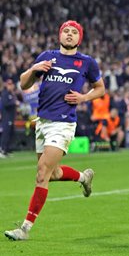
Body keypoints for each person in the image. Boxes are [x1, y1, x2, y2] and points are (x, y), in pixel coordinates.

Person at [4, 20, 106, 241]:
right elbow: (23, 84)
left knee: (42, 172)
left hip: (63, 123)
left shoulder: (86, 62)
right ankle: (83, 177)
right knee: (53, 173)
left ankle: (25, 229)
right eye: (65, 31)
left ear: (80, 38)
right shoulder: (46, 57)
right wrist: (33, 69)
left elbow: (100, 89)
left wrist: (83, 97)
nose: (69, 35)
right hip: (42, 122)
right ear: (60, 35)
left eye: (74, 32)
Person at [1, 78, 19, 158]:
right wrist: (14, 103)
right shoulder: (5, 93)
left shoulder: (11, 94)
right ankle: (2, 150)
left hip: (11, 117)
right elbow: (5, 104)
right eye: (9, 84)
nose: (10, 86)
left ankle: (7, 150)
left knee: (10, 134)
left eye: (11, 84)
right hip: (6, 117)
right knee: (6, 134)